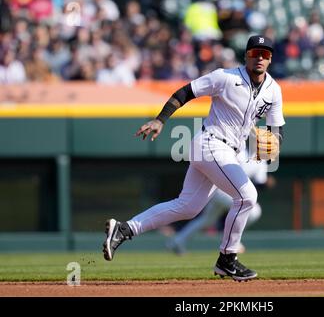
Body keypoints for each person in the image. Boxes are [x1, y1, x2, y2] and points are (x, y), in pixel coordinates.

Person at [102, 35, 285, 282]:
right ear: (246, 56)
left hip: (226, 151)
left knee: (188, 207)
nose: (260, 58)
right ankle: (227, 259)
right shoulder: (225, 77)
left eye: (265, 54)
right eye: (255, 53)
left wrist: (276, 143)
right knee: (247, 197)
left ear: (271, 58)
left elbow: (276, 129)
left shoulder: (274, 90)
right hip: (210, 143)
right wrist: (160, 119)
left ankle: (124, 229)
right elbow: (186, 92)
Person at [166, 149, 276, 255]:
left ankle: (177, 241)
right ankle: (232, 240)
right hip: (223, 190)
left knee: (207, 220)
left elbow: (260, 183)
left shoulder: (260, 162)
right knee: (254, 211)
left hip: (220, 191)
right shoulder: (241, 150)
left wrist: (266, 183)